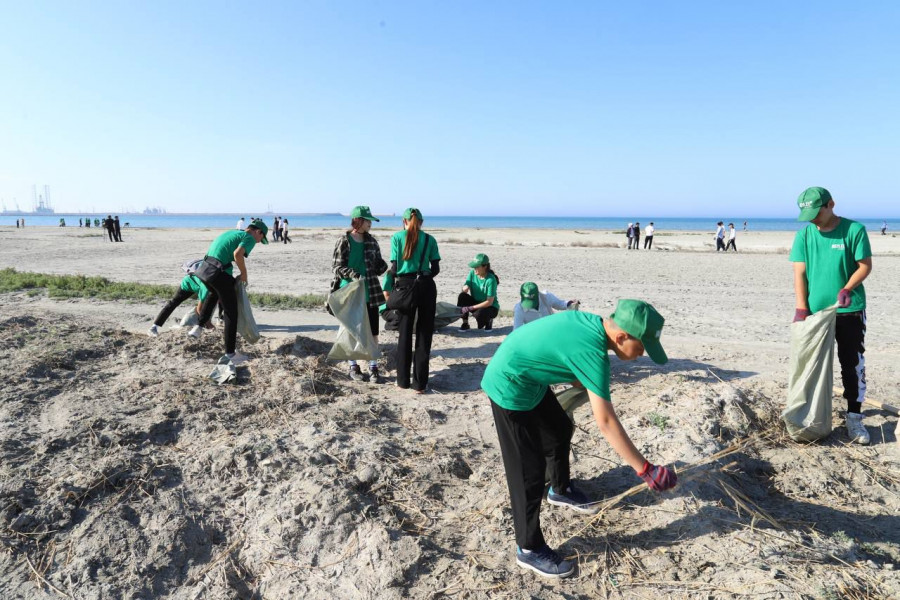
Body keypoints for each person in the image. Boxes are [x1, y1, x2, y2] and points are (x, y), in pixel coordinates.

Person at [482, 300, 677, 579]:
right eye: (642, 347)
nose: (642, 354)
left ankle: (559, 489)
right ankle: (529, 548)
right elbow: (606, 423)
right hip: (509, 385)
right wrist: (646, 470)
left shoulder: (593, 325)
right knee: (528, 473)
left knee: (559, 428)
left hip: (530, 379)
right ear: (621, 337)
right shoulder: (593, 352)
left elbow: (559, 348)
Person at [790, 186, 873, 445]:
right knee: (811, 365)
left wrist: (847, 288)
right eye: (809, 214)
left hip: (848, 309)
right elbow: (799, 274)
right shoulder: (804, 236)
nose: (814, 219)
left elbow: (865, 266)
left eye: (817, 212)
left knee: (851, 364)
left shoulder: (853, 230)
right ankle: (813, 415)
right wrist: (802, 308)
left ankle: (854, 418)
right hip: (816, 313)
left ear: (831, 204)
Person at [190, 219, 269, 364]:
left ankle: (198, 327)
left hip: (203, 269)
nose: (258, 242)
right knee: (231, 313)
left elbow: (219, 251)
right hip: (217, 273)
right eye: (261, 238)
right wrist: (244, 273)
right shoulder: (249, 237)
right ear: (258, 232)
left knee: (213, 294)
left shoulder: (232, 233)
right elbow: (237, 254)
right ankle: (231, 354)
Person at [331, 206, 389, 382]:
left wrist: (385, 267)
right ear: (358, 220)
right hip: (349, 292)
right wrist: (354, 274)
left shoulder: (372, 241)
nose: (370, 224)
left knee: (372, 332)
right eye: (367, 220)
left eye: (371, 221)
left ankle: (373, 367)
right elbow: (336, 268)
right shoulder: (344, 241)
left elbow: (378, 265)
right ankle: (353, 366)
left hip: (370, 291)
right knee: (351, 331)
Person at [386, 208, 441, 393]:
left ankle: (402, 381)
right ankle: (420, 384)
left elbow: (394, 268)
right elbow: (436, 268)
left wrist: (399, 280)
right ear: (421, 222)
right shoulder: (430, 239)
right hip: (425, 285)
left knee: (405, 334)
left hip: (405, 286)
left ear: (404, 221)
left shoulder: (397, 237)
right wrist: (423, 278)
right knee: (424, 334)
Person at [457, 253, 500, 331]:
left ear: (485, 266)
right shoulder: (472, 273)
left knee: (480, 314)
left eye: (477, 266)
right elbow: (466, 286)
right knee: (462, 296)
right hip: (476, 303)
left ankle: (489, 321)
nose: (474, 268)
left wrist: (470, 308)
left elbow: (489, 302)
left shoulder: (491, 280)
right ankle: (465, 323)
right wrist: (465, 287)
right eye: (474, 266)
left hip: (490, 307)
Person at [513, 282, 579, 330]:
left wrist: (569, 303)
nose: (531, 306)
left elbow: (560, 304)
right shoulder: (519, 309)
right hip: (534, 335)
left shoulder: (546, 297)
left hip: (551, 329)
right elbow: (516, 331)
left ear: (538, 294)